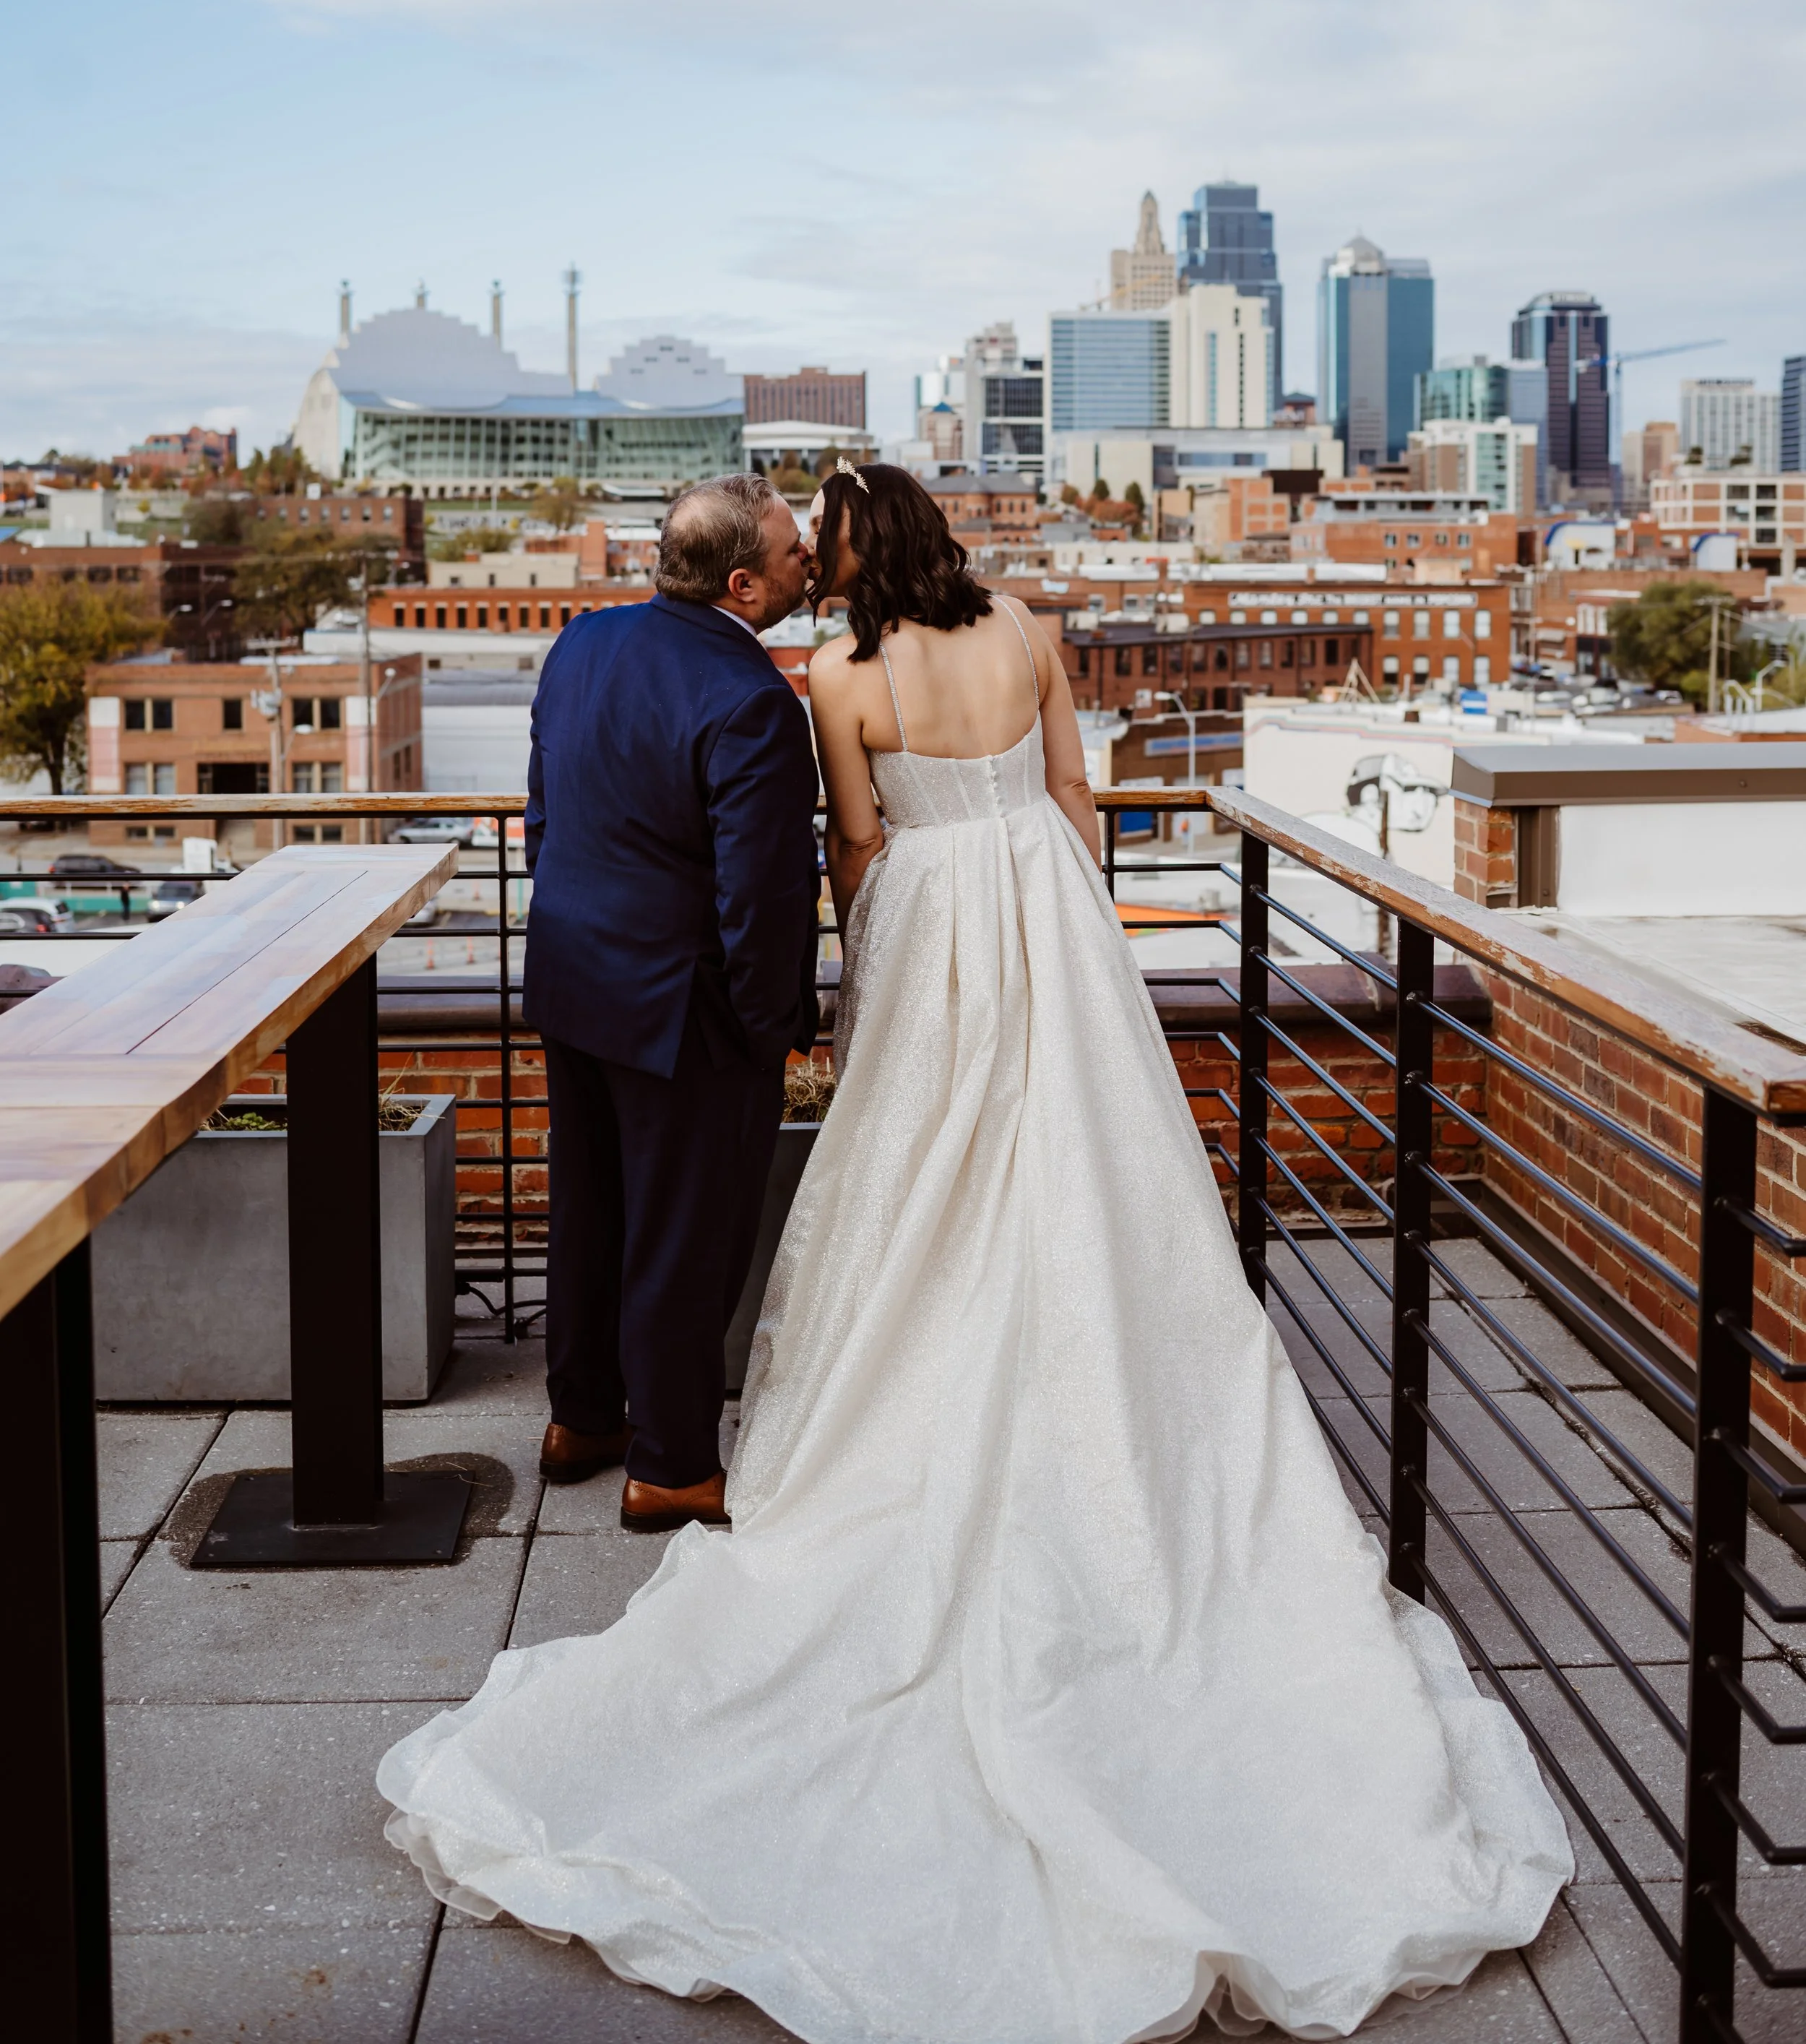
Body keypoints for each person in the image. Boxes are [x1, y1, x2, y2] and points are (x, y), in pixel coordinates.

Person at [381, 461, 1570, 2040]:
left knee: (869, 1189)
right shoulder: (1026, 625)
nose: (804, 566)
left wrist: (869, 986)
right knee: (1081, 1178)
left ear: (843, 559)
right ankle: (1012, 1407)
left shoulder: (799, 665)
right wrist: (1055, 933)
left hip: (841, 938)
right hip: (1047, 930)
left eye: (820, 542)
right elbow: (1075, 802)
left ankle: (647, 1417)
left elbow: (856, 851)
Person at [522, 473, 819, 1532]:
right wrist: (766, 1026)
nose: (810, 562)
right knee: (686, 1240)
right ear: (742, 585)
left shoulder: (580, 645)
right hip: (689, 1010)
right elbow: (765, 896)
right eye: (794, 552)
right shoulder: (755, 705)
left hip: (573, 979)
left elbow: (545, 818)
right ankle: (674, 1463)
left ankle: (582, 1419)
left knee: (589, 1213)